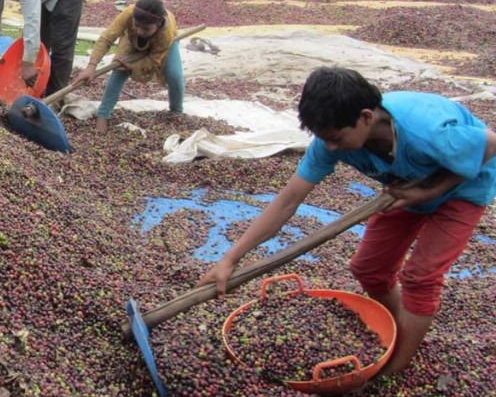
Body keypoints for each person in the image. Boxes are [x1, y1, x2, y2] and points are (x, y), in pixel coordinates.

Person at [198, 67, 496, 377]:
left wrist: (429, 190)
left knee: (420, 276)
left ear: (366, 117)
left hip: (463, 189)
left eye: (336, 138)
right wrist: (230, 259)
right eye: (323, 139)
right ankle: (395, 333)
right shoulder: (330, 142)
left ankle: (394, 369)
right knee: (369, 268)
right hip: (404, 190)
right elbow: (288, 200)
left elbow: (489, 145)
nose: (330, 148)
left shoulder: (427, 130)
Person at [71, 0, 184, 133]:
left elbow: (153, 61)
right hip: (132, 40)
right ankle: (103, 114)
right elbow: (107, 38)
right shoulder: (128, 14)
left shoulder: (166, 33)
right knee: (119, 68)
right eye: (137, 25)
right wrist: (91, 66)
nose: (140, 31)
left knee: (174, 75)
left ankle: (176, 111)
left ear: (158, 24)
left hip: (163, 44)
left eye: (146, 29)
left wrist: (132, 66)